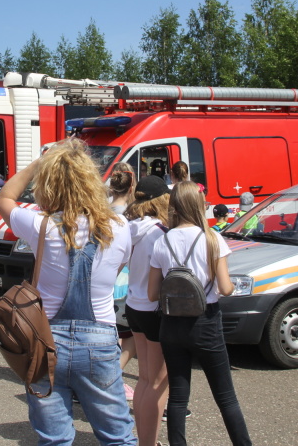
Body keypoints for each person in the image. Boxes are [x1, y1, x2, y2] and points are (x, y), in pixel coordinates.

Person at [0, 138, 137, 446]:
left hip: (46, 339)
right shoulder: (121, 226)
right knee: (118, 438)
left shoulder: (40, 225)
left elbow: (3, 198)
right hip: (99, 338)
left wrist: (38, 163)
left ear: (47, 183)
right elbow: (120, 265)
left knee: (54, 440)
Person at [148, 181, 251, 446]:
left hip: (171, 325)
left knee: (179, 397)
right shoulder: (211, 238)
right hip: (205, 322)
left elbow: (152, 294)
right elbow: (225, 287)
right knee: (225, 396)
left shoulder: (162, 241)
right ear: (197, 205)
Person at [125, 175, 171, 446]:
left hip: (134, 305)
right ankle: (148, 443)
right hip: (154, 309)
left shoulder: (130, 228)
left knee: (144, 379)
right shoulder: (161, 234)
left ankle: (143, 439)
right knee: (159, 383)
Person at [108, 162, 137, 400]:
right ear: (131, 186)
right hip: (125, 283)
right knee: (130, 338)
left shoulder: (103, 211)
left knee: (114, 335)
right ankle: (113, 378)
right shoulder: (130, 216)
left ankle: (111, 377)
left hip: (106, 281)